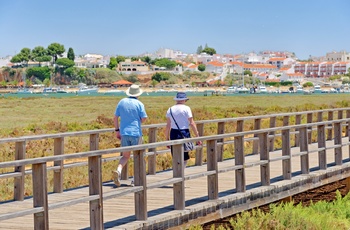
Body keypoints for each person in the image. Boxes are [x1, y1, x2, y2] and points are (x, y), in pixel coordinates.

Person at [113, 84, 147, 187]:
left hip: (124, 132)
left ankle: (118, 171)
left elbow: (115, 117)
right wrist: (138, 121)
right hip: (136, 132)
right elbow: (144, 118)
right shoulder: (139, 104)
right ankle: (135, 179)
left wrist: (117, 130)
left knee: (125, 156)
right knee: (138, 156)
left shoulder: (122, 102)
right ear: (138, 94)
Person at [165, 92, 202, 167]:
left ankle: (177, 172)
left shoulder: (170, 109)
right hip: (184, 132)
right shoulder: (186, 108)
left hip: (173, 132)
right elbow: (192, 123)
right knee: (184, 156)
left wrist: (167, 139)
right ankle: (181, 172)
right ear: (184, 100)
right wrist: (197, 136)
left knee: (175, 154)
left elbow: (168, 125)